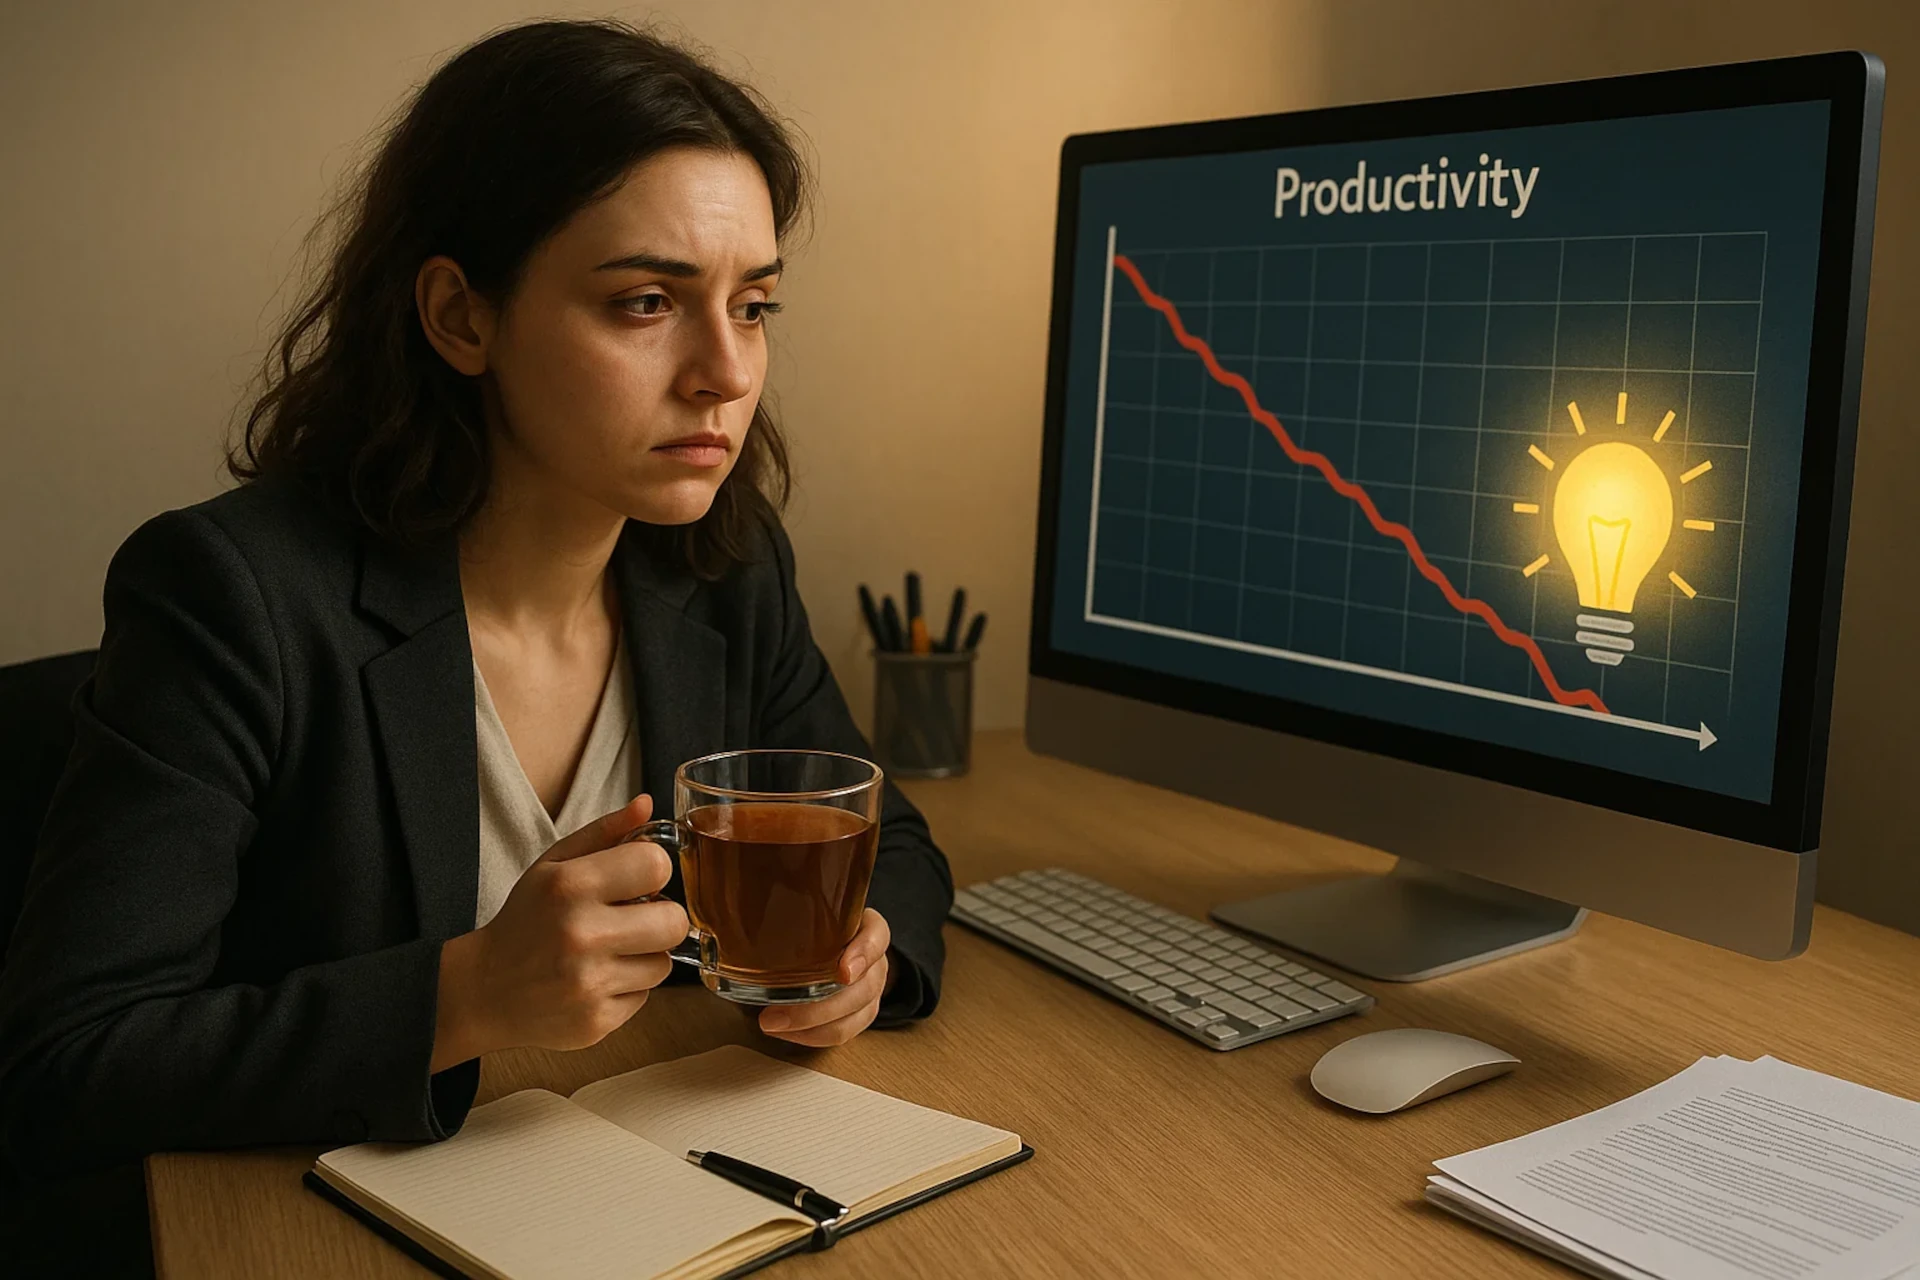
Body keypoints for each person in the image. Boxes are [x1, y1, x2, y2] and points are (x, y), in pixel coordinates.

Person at [0, 18, 954, 1190]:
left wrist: (869, 956)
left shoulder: (726, 566)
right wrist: (467, 994)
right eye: (646, 301)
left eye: (752, 305)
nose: (726, 371)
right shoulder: (232, 596)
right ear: (461, 315)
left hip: (637, 1175)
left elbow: (894, 844)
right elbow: (69, 1057)